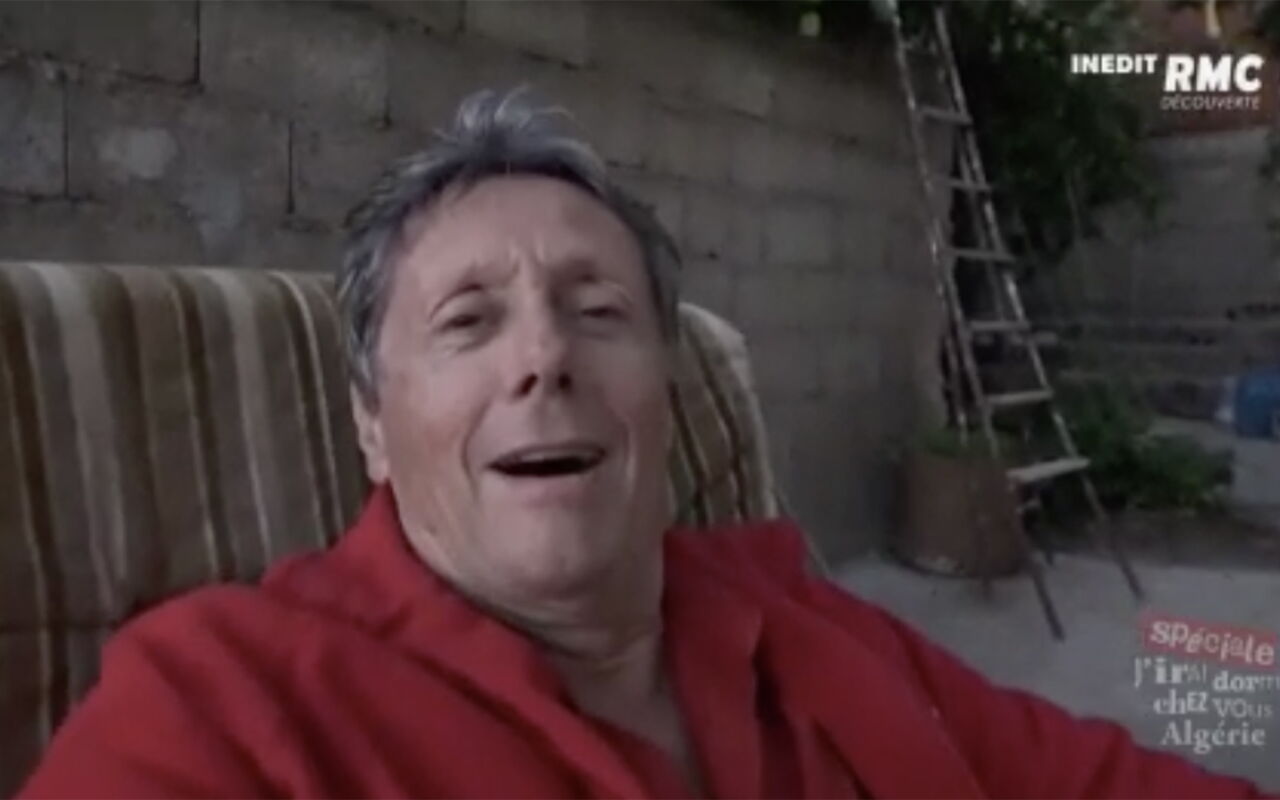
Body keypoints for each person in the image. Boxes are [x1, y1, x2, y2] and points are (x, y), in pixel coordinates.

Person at [18, 89, 1269, 799]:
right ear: (371, 426)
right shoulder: (221, 702)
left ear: (664, 393)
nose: (543, 356)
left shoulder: (796, 614)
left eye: (599, 310)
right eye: (467, 321)